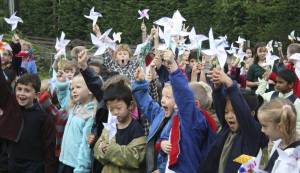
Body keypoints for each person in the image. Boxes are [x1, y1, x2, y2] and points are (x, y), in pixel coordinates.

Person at [133, 50, 214, 173]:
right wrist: (140, 83)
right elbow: (146, 104)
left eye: (168, 97)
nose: (163, 101)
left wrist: (174, 68)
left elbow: (177, 154)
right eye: (163, 96)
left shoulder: (190, 121)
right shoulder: (160, 113)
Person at [200, 68, 268, 173]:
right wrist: (217, 88)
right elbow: (219, 105)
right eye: (227, 112)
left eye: (234, 112)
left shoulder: (252, 133)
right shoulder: (227, 129)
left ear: (251, 114)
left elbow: (242, 111)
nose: (229, 116)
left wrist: (230, 84)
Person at [0, 64, 56, 173]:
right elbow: (2, 86)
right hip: (12, 163)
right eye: (19, 89)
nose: (21, 93)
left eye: (27, 90)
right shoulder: (12, 108)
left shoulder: (44, 118)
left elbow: (49, 148)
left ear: (36, 95)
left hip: (34, 166)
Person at [93, 77, 146, 173]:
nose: (115, 112)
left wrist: (110, 150)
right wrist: (101, 149)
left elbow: (136, 158)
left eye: (119, 108)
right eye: (111, 109)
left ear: (130, 105)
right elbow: (97, 150)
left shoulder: (136, 129)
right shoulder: (110, 126)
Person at [56, 73, 97, 173]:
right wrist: (62, 83)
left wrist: (81, 169)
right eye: (72, 88)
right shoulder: (75, 107)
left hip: (75, 166)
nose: (73, 90)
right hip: (64, 160)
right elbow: (63, 102)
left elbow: (85, 146)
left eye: (78, 87)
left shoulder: (90, 114)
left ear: (90, 90)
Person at [257, 98, 300, 172]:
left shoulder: (289, 162)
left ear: (280, 127)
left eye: (264, 126)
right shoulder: (280, 142)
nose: (262, 130)